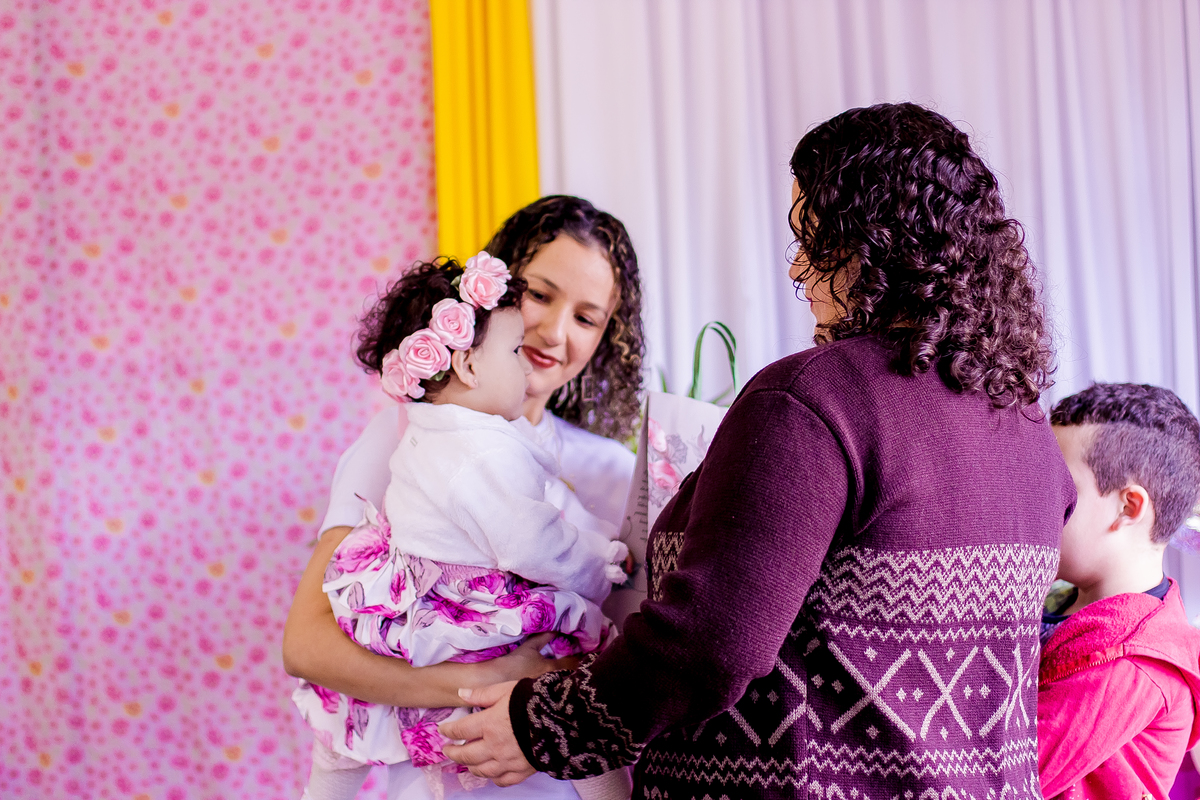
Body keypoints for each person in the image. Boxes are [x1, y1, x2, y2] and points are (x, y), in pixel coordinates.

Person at [439, 102, 1077, 800]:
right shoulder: (1025, 428)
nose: (801, 268)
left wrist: (541, 728)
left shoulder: (813, 400)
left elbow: (710, 645)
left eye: (817, 237)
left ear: (875, 242)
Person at [282, 195, 645, 800]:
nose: (554, 331)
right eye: (540, 294)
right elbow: (307, 645)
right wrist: (490, 677)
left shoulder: (614, 470)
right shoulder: (405, 435)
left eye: (587, 317)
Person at [1037, 382, 1200, 800]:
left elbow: (1012, 773)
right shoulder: (1063, 597)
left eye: (1061, 491)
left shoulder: (1131, 664)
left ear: (1128, 508)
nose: (1038, 505)